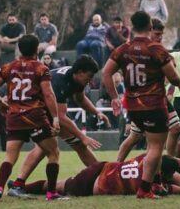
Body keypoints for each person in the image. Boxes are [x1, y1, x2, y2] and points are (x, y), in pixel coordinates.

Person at [102, 11, 180, 199]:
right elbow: (172, 76)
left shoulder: (123, 49)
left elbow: (106, 73)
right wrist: (179, 84)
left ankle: (154, 184)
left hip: (133, 106)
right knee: (155, 147)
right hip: (154, 104)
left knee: (144, 142)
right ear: (149, 26)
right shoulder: (155, 49)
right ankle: (145, 188)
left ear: (131, 27)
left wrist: (114, 97)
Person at [7, 55, 107, 197]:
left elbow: (80, 99)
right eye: (89, 76)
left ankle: (100, 175)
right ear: (79, 72)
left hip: (45, 111)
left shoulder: (77, 78)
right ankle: (101, 175)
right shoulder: (59, 82)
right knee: (52, 147)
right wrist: (82, 136)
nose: (90, 80)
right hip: (35, 111)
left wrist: (96, 112)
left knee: (65, 146)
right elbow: (60, 116)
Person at [0, 34, 64, 203]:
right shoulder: (41, 68)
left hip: (14, 118)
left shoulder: (8, 67)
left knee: (10, 157)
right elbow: (49, 94)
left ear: (19, 49)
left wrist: (0, 103)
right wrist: (56, 118)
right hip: (35, 117)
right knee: (53, 152)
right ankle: (51, 193)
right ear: (37, 49)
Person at [116, 18, 180, 160]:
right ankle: (117, 167)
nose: (160, 37)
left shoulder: (157, 49)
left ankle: (168, 166)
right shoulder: (143, 49)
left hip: (156, 97)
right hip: (144, 99)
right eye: (157, 34)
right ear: (149, 30)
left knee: (175, 129)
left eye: (161, 35)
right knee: (137, 137)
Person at [17, 154, 180, 197]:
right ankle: (21, 188)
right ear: (162, 173)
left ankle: (20, 186)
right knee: (60, 187)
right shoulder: (152, 186)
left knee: (59, 185)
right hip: (98, 184)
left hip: (104, 167)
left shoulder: (146, 157)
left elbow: (163, 158)